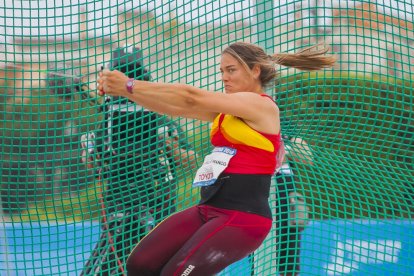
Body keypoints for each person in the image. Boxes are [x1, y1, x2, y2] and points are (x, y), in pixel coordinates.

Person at [97, 41, 336, 275]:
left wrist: (128, 84)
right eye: (222, 71)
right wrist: (124, 91)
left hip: (243, 218)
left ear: (255, 71)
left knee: (177, 272)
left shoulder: (261, 105)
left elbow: (190, 96)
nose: (224, 77)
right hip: (209, 211)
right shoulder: (228, 112)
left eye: (231, 70)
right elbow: (175, 107)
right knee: (141, 263)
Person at [79, 45, 197, 276]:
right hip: (119, 203)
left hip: (157, 204)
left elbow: (191, 160)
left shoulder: (158, 118)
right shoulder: (107, 121)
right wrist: (88, 151)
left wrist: (169, 144)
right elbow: (95, 167)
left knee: (161, 265)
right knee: (112, 267)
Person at [275, 121, 314, 276]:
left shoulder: (285, 124)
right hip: (260, 189)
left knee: (289, 258)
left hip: (286, 194)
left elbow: (307, 158)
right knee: (260, 256)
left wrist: (285, 149)